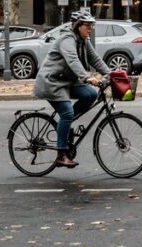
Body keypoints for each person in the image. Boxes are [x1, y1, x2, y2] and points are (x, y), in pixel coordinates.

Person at [34, 9, 110, 169]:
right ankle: (61, 154)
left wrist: (111, 74)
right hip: (52, 82)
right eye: (87, 26)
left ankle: (65, 125)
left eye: (91, 26)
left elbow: (94, 58)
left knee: (90, 94)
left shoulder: (83, 40)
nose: (90, 29)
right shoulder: (66, 39)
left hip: (67, 81)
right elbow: (73, 60)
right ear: (77, 26)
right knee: (67, 112)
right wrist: (87, 77)